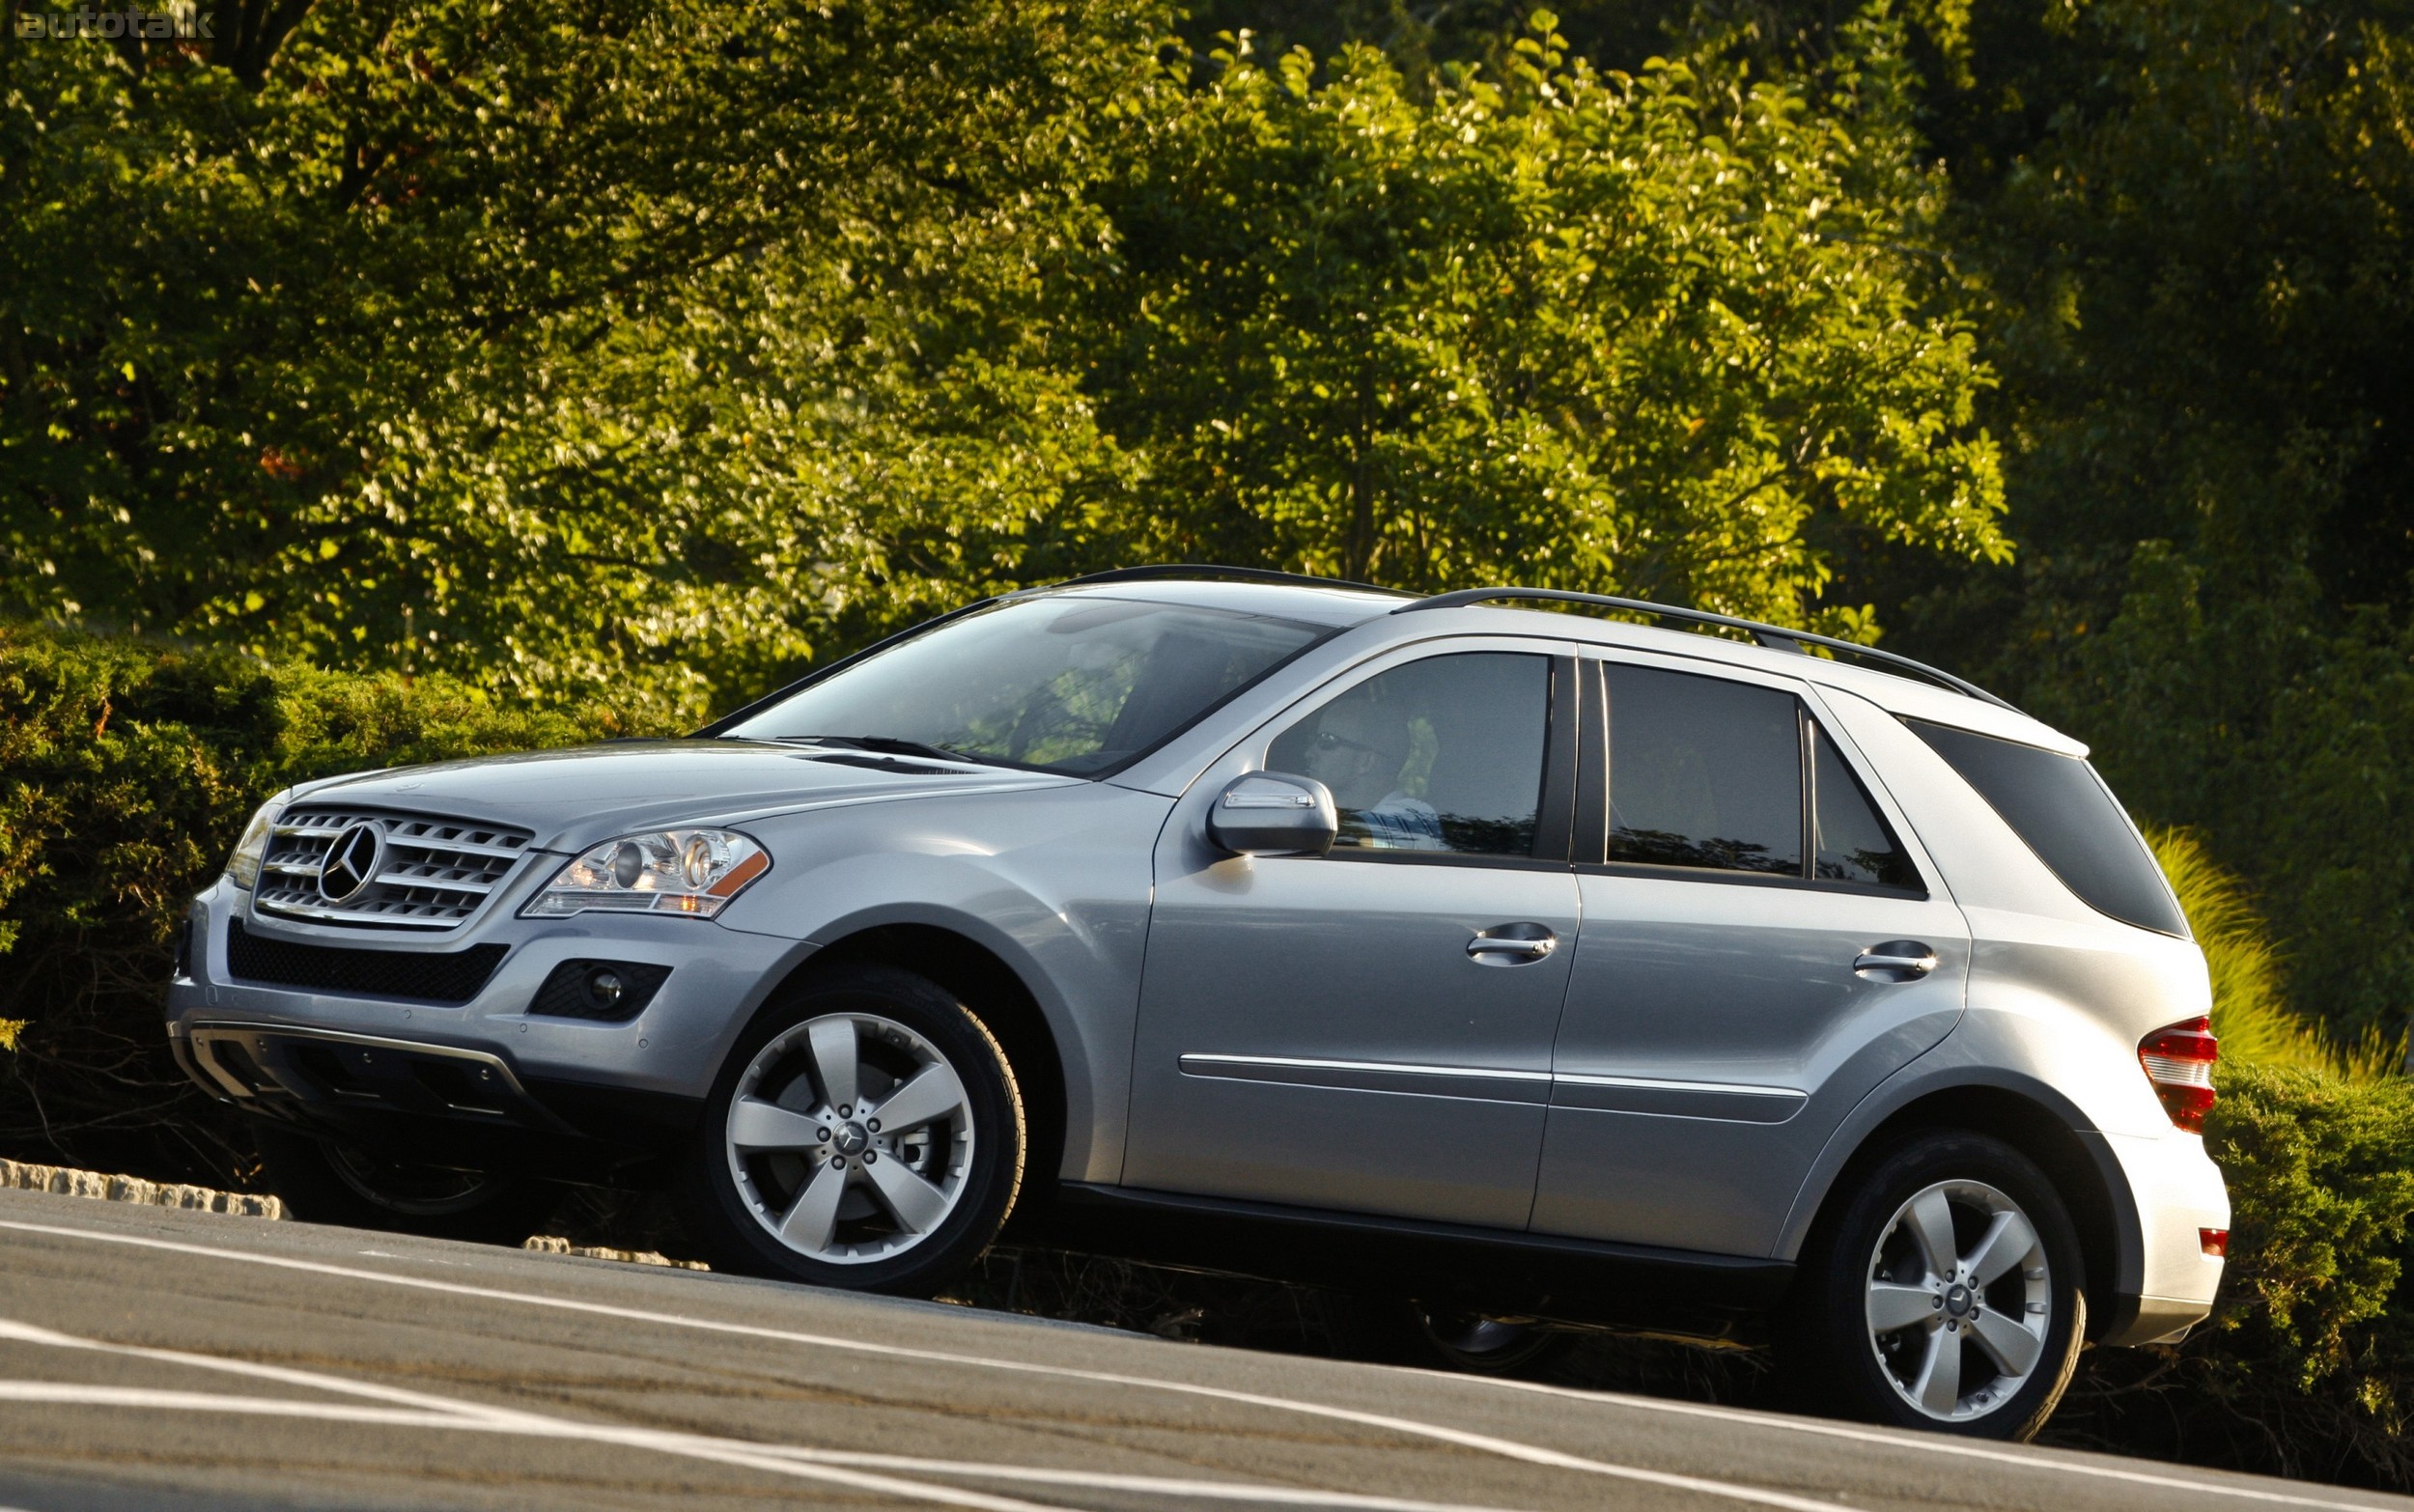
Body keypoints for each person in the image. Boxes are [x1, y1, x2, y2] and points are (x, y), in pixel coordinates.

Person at [1298, 692, 1445, 850]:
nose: (1309, 753)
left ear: (1366, 762)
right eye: (1314, 740)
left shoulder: (1405, 820)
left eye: (1326, 740)